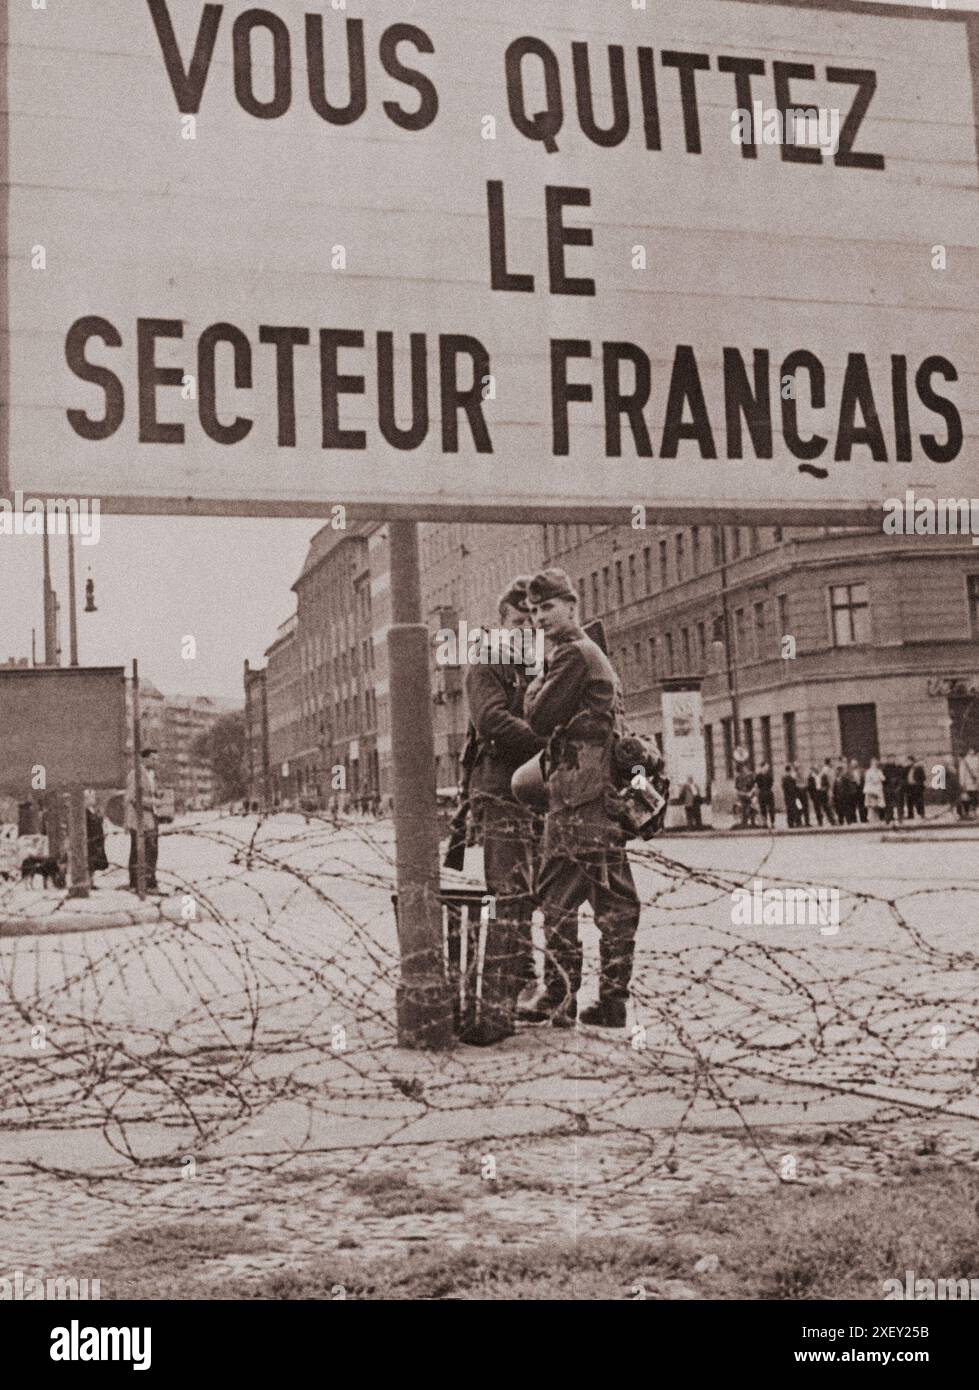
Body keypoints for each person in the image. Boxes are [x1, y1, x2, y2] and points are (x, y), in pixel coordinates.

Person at [518, 569, 640, 1029]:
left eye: (547, 607)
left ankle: (559, 995)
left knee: (557, 902)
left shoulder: (572, 656)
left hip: (574, 801)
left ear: (572, 605)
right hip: (601, 799)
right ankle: (612, 1000)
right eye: (534, 611)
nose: (540, 618)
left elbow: (539, 716)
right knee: (615, 904)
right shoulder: (594, 654)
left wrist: (536, 680)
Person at [461, 577, 545, 1045]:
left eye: (532, 620)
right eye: (518, 621)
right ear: (501, 624)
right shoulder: (489, 662)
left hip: (536, 789)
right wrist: (547, 742)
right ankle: (503, 996)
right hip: (501, 790)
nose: (526, 628)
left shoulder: (539, 664)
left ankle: (530, 981)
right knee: (510, 891)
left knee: (535, 891)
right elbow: (491, 719)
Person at [125, 746, 159, 892]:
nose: (155, 762)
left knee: (151, 851)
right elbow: (133, 797)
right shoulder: (136, 774)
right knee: (139, 850)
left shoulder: (151, 775)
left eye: (157, 759)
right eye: (153, 758)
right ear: (144, 758)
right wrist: (153, 802)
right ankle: (136, 883)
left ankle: (149, 880)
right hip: (140, 818)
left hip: (151, 816)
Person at [863, 757, 886, 821]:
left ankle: (877, 818)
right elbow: (867, 780)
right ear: (871, 764)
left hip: (878, 789)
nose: (874, 765)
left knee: (878, 805)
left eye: (876, 763)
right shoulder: (868, 772)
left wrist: (879, 774)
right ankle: (871, 819)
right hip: (871, 789)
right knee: (871, 805)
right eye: (873, 763)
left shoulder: (879, 771)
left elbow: (883, 778)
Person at [959, 747, 979, 818]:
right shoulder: (966, 760)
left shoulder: (975, 759)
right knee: (970, 798)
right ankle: (970, 812)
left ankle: (971, 812)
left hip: (972, 783)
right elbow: (962, 773)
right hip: (970, 783)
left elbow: (962, 773)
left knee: (972, 798)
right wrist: (962, 783)